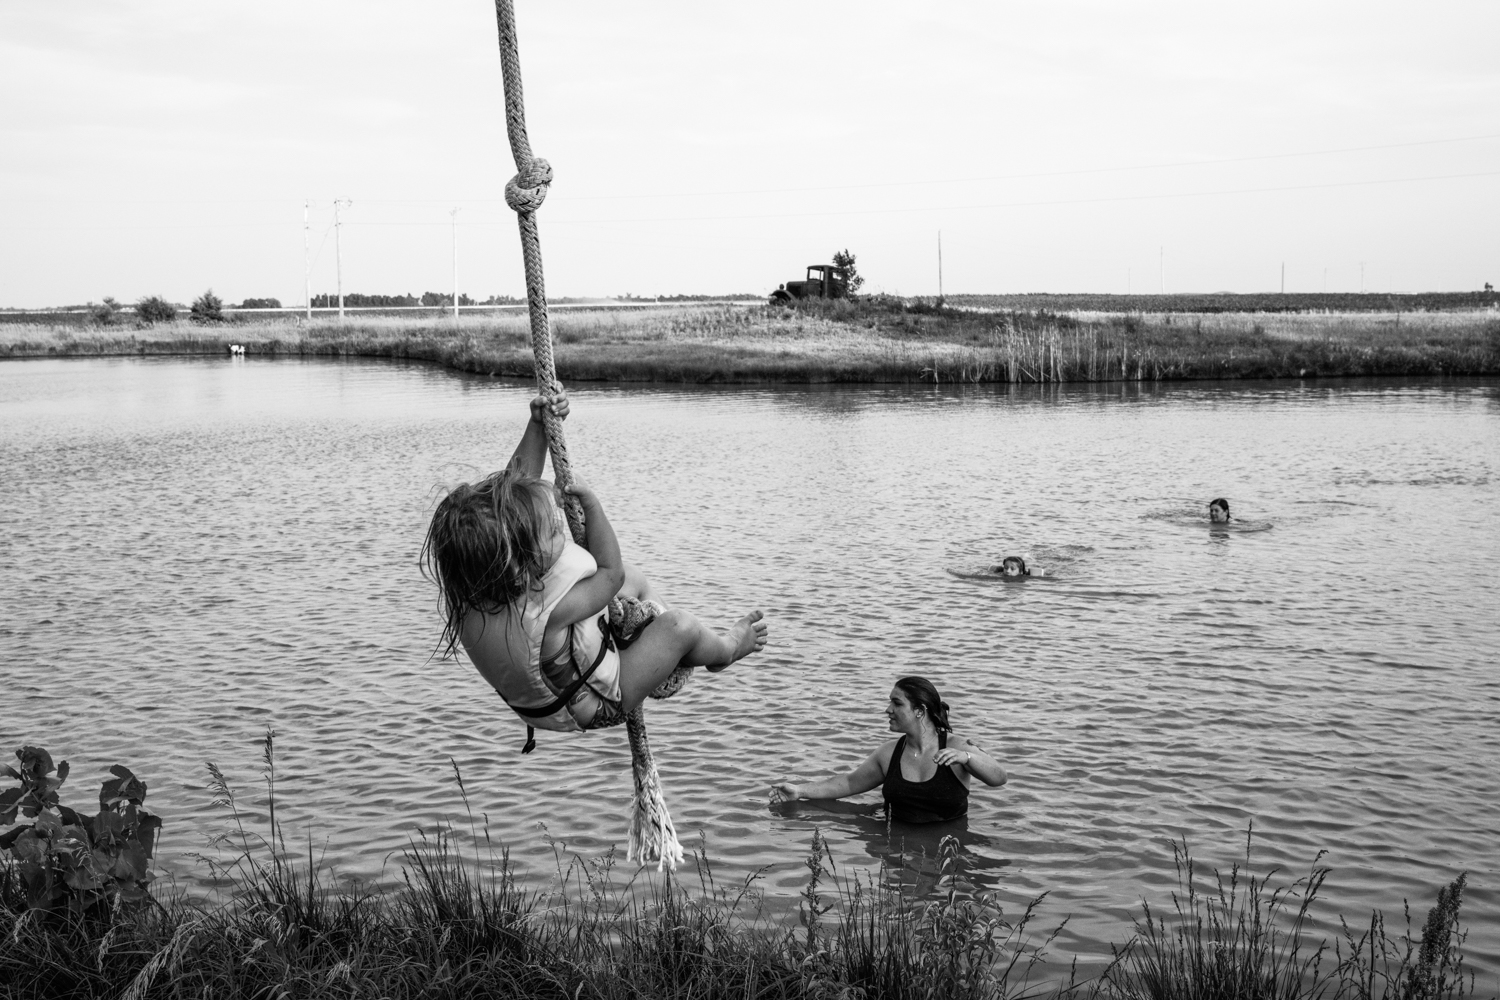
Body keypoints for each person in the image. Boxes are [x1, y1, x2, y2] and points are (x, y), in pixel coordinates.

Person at [422, 393, 768, 742]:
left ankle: (638, 633)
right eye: (553, 530)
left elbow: (513, 497)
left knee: (634, 580)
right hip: (595, 705)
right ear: (520, 561)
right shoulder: (544, 611)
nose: (559, 527)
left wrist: (538, 427)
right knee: (680, 625)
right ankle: (723, 650)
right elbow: (609, 573)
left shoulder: (473, 584)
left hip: (538, 693)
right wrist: (592, 506)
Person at [770, 677, 1006, 823]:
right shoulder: (888, 753)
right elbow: (850, 783)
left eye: (897, 703)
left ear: (919, 711)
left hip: (949, 844)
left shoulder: (957, 747)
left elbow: (999, 778)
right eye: (890, 702)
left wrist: (968, 758)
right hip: (896, 844)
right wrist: (799, 791)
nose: (888, 709)